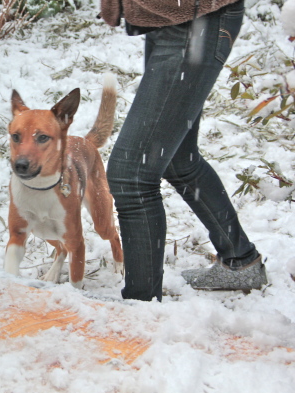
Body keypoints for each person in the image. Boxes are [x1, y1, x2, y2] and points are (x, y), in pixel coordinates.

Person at [99, 0, 267, 302]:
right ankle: (240, 260)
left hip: (193, 19)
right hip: (168, 18)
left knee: (131, 175)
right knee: (176, 157)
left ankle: (140, 315)